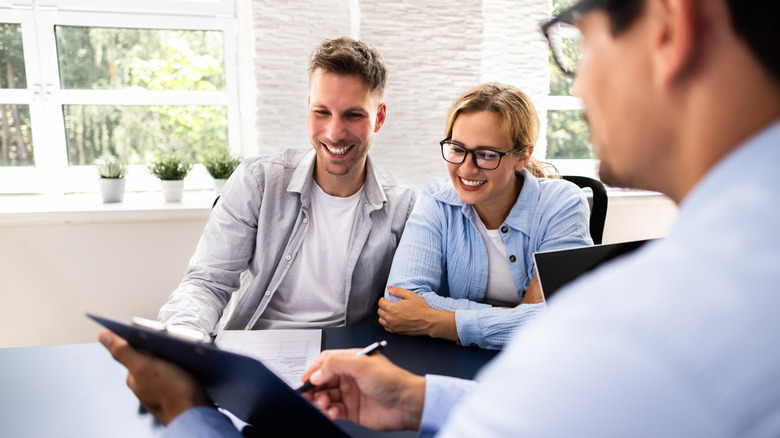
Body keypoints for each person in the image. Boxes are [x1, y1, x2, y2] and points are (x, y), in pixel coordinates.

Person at [100, 0, 780, 436]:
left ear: (670, 28)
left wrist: (184, 409)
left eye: (578, 41)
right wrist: (182, 341)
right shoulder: (284, 184)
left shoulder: (622, 331)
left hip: (353, 377)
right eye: (457, 149)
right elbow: (220, 283)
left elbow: (496, 346)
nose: (575, 82)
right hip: (274, 369)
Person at [157, 37, 417, 335]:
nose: (334, 133)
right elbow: (208, 283)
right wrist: (182, 335)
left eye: (353, 115)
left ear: (379, 117)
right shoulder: (257, 182)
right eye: (322, 112)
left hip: (345, 363)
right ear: (309, 108)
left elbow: (410, 306)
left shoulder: (405, 207)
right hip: (253, 349)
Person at [378, 83, 592, 349]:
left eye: (486, 155)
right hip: (454, 361)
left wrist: (441, 322)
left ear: (522, 156)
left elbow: (565, 318)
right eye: (457, 149)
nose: (466, 169)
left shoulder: (562, 203)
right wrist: (518, 317)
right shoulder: (436, 199)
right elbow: (399, 301)